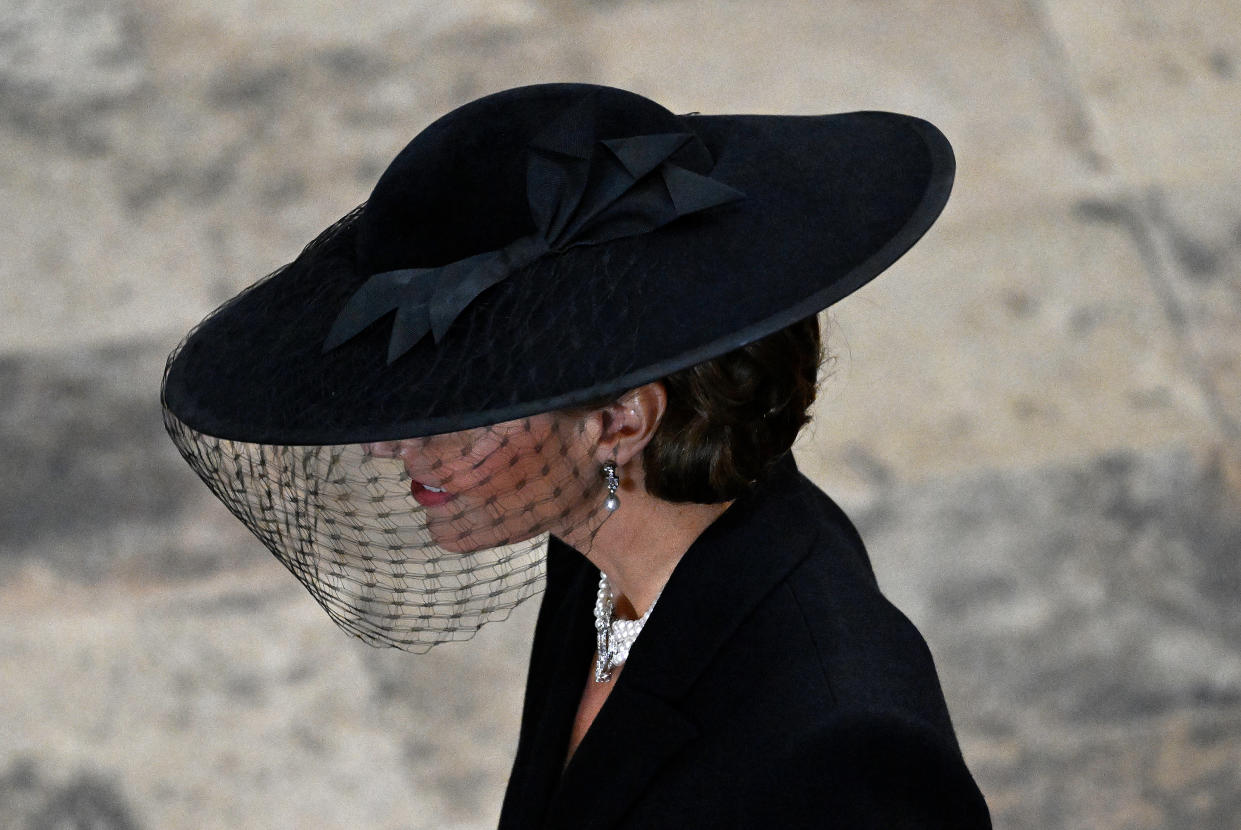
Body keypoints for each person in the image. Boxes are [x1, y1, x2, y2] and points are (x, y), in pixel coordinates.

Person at [162, 83, 991, 827]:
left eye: (460, 412)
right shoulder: (599, 550)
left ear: (622, 422)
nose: (388, 445)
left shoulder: (846, 756)